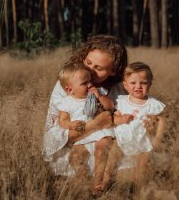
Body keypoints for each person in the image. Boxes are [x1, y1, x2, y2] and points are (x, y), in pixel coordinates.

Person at [42, 35, 134, 186]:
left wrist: (108, 171)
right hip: (75, 148)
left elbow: (129, 130)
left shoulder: (121, 88)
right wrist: (96, 124)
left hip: (109, 150)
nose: (90, 71)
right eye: (88, 62)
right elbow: (52, 137)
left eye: (98, 68)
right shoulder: (68, 84)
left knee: (138, 171)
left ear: (114, 70)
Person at [100, 62, 166, 190]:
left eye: (143, 83)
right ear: (125, 85)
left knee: (143, 163)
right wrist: (119, 118)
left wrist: (158, 138)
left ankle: (140, 186)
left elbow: (162, 121)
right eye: (133, 83)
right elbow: (113, 117)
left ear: (150, 84)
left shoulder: (153, 104)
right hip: (121, 141)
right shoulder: (121, 101)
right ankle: (106, 180)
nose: (138, 86)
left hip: (143, 144)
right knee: (112, 157)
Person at [55, 61, 115, 190]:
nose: (89, 85)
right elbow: (62, 121)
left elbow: (110, 106)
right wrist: (70, 124)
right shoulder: (66, 102)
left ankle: (97, 181)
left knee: (102, 149)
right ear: (69, 89)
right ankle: (83, 179)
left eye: (90, 81)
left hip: (101, 133)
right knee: (75, 156)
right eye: (84, 83)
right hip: (82, 137)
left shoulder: (96, 93)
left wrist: (99, 95)